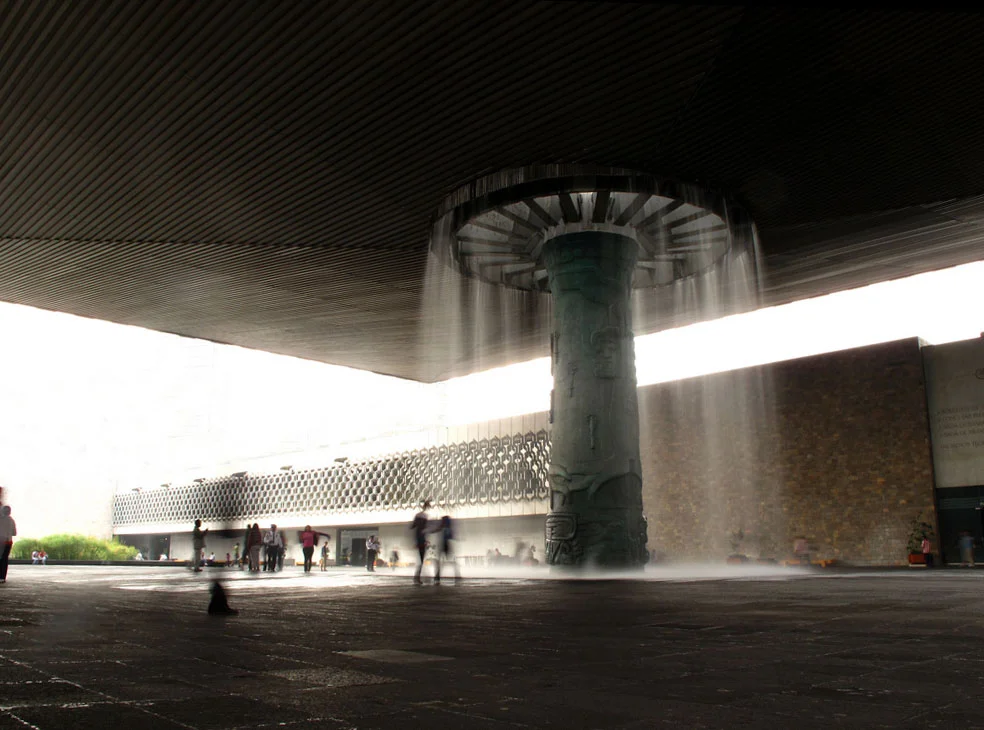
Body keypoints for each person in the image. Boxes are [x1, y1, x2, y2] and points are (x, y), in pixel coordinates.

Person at [431, 515, 459, 584]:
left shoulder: (443, 528)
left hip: (443, 545)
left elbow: (436, 530)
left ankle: (437, 576)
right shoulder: (448, 528)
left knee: (440, 561)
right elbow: (451, 537)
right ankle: (457, 575)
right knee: (450, 561)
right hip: (447, 545)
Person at [411, 500, 431, 584]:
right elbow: (423, 529)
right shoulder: (425, 517)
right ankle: (417, 578)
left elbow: (412, 526)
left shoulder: (418, 516)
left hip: (419, 540)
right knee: (421, 560)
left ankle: (417, 577)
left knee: (420, 560)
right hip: (421, 541)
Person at [0, 505, 16, 584]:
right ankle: (2, 577)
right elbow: (14, 533)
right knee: (4, 559)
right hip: (8, 542)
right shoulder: (12, 520)